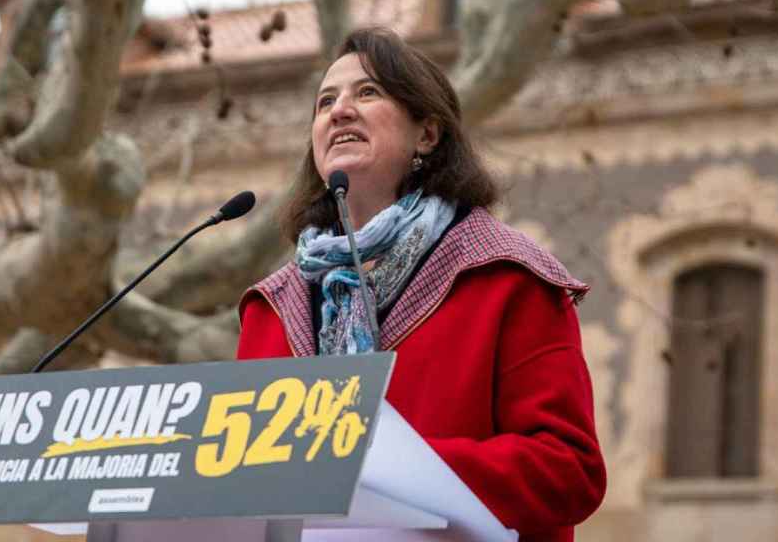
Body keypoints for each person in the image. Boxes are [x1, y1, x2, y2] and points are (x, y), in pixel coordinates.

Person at [236, 27, 606, 541]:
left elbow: (569, 470)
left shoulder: (506, 277)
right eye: (325, 102)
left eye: (368, 92)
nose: (340, 110)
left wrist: (385, 466)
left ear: (427, 135)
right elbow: (240, 480)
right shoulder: (272, 307)